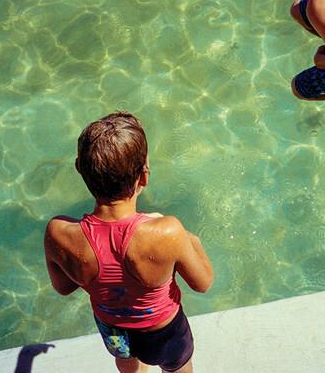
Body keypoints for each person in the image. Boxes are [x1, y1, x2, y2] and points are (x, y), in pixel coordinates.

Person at [44, 112, 214, 373]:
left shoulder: (59, 233)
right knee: (178, 368)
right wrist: (188, 238)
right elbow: (203, 283)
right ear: (144, 177)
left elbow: (64, 287)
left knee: (128, 366)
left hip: (114, 332)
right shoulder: (167, 232)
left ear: (80, 170)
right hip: (165, 333)